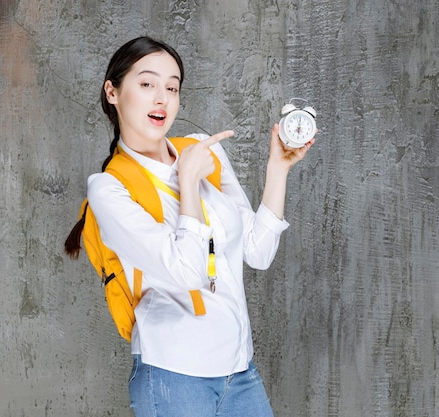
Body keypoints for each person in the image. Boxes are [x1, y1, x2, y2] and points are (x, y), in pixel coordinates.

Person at [79, 36, 315, 417]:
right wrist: (187, 182)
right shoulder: (109, 187)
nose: (162, 98)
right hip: (173, 377)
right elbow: (187, 271)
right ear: (113, 92)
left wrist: (278, 168)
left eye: (172, 87)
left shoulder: (202, 148)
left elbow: (258, 253)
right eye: (146, 84)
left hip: (239, 371)